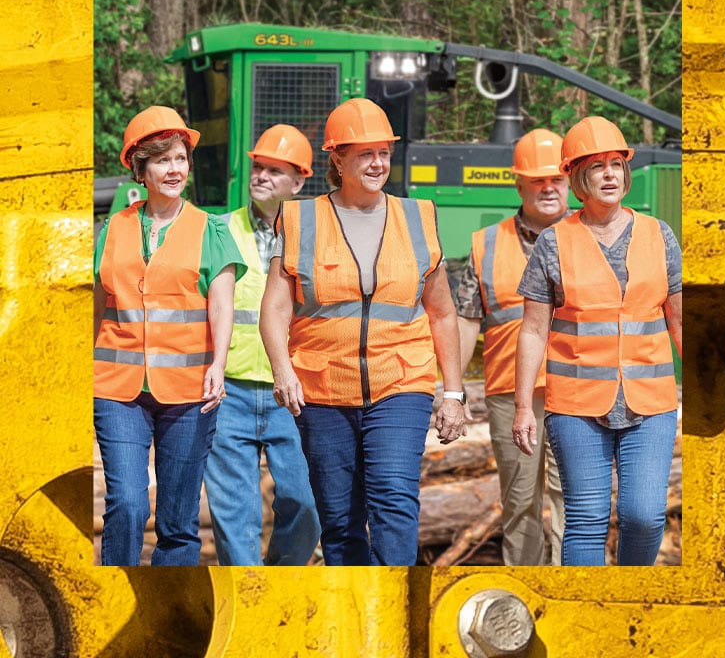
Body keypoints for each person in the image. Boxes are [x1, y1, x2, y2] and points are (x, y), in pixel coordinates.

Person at [259, 98, 466, 566]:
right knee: (339, 518)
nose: (377, 164)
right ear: (337, 159)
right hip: (321, 386)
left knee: (393, 496)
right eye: (365, 154)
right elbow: (274, 306)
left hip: (401, 381)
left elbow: (443, 312)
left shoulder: (420, 217)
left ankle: (398, 601)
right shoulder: (299, 219)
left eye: (384, 153)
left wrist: (453, 392)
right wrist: (282, 371)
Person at [513, 116, 682, 566]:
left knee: (644, 516)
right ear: (575, 177)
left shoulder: (658, 235)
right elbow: (532, 329)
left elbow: (681, 320)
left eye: (615, 164)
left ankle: (631, 596)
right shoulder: (553, 243)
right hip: (576, 404)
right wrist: (522, 407)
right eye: (596, 166)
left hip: (651, 401)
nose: (609, 174)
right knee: (586, 517)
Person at [93, 105, 246, 566]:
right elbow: (97, 304)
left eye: (180, 158)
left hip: (189, 392)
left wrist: (218, 367)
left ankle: (165, 616)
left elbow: (221, 304)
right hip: (118, 390)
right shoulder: (111, 229)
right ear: (140, 169)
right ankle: (114, 601)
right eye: (162, 160)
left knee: (178, 524)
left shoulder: (210, 229)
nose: (174, 169)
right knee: (128, 505)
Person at [204, 126, 321, 565]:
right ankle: (250, 593)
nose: (262, 176)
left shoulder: (315, 234)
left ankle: (279, 579)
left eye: (275, 170)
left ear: (299, 181)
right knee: (235, 514)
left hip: (294, 390)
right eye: (258, 167)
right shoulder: (219, 229)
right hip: (229, 391)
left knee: (307, 503)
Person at [455, 128, 567, 566]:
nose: (548, 188)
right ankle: (525, 582)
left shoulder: (589, 235)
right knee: (520, 502)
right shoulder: (486, 243)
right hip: (509, 393)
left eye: (557, 178)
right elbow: (466, 318)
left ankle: (570, 583)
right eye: (537, 180)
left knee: (571, 500)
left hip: (577, 389)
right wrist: (451, 390)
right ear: (518, 183)